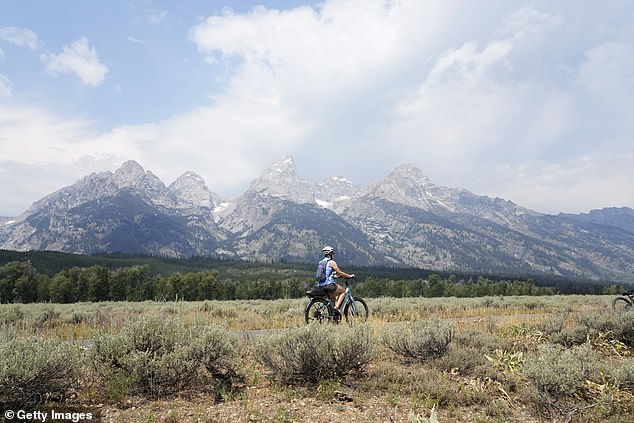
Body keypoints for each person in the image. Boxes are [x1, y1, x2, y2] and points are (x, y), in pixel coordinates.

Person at [319, 246, 355, 315]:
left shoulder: (321, 262)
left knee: (333, 299)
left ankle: (333, 317)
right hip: (329, 285)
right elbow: (340, 273)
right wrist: (349, 276)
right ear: (330, 254)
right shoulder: (331, 262)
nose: (333, 255)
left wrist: (334, 276)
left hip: (321, 285)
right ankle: (336, 308)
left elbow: (326, 273)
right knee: (343, 291)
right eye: (333, 254)